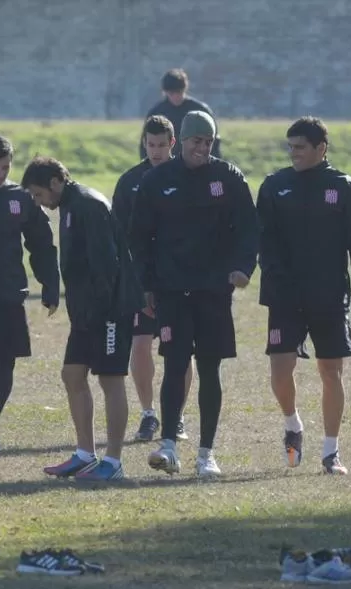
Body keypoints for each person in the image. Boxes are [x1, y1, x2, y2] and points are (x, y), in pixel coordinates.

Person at [130, 110, 258, 477]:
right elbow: (139, 238)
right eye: (196, 141)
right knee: (174, 364)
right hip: (172, 290)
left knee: (209, 368)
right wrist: (148, 285)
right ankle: (168, 444)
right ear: (181, 142)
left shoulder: (227, 177)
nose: (202, 147)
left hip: (214, 290)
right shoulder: (158, 181)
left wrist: (242, 268)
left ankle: (206, 454)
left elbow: (249, 228)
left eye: (208, 141)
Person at [256, 116, 351, 476]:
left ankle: (330, 452)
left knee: (330, 371)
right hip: (285, 294)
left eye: (300, 147)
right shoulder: (275, 186)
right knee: (280, 370)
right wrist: (275, 276)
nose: (293, 153)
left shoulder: (344, 187)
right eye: (290, 147)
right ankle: (292, 424)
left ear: (321, 148)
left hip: (329, 292)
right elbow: (263, 239)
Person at [21, 157, 144, 482]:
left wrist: (101, 313)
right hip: (87, 314)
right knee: (72, 375)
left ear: (55, 183)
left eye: (38, 194)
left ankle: (113, 461)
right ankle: (84, 454)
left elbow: (105, 265)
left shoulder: (88, 205)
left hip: (108, 312)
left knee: (110, 380)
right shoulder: (71, 206)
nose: (38, 202)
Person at [0, 134, 60, 454]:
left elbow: (42, 244)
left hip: (10, 294)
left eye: (5, 167)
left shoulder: (20, 198)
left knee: (6, 364)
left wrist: (49, 283)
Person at [113, 115, 194, 443]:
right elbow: (117, 234)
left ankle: (178, 415)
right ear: (143, 143)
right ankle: (148, 414)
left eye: (162, 145)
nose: (156, 151)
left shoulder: (189, 177)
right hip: (140, 280)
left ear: (172, 144)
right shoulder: (130, 181)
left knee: (181, 351)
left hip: (180, 279)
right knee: (141, 343)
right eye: (151, 145)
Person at [140, 68, 221, 159]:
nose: (176, 96)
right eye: (171, 93)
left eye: (179, 92)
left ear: (184, 89)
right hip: (166, 167)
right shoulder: (157, 114)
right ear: (165, 92)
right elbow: (146, 145)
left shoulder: (200, 111)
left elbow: (213, 142)